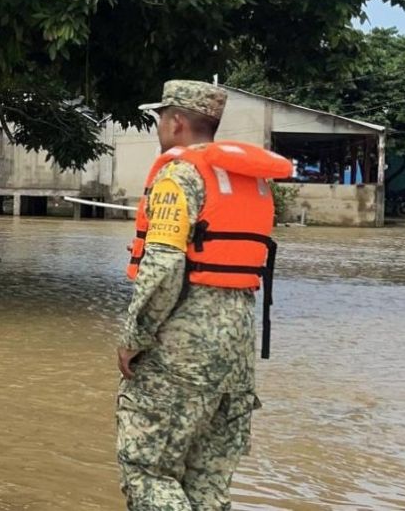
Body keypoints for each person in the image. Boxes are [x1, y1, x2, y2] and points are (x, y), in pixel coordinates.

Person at [116, 80, 292, 510]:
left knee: (148, 470)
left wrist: (133, 338)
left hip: (181, 348)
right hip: (236, 351)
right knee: (208, 482)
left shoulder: (179, 175)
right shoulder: (251, 181)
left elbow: (164, 268)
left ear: (176, 121)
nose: (158, 127)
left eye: (160, 118)